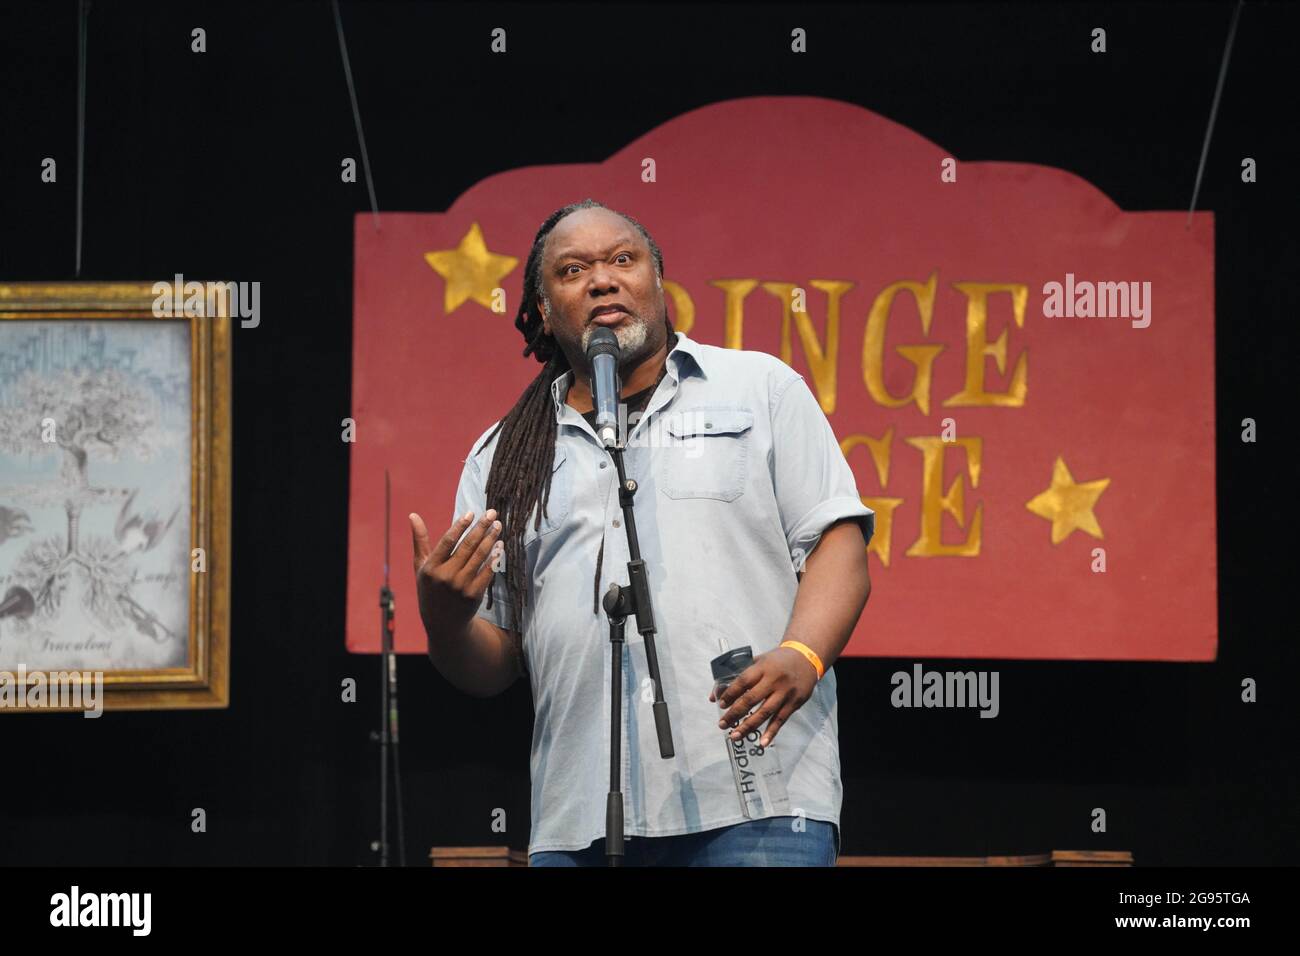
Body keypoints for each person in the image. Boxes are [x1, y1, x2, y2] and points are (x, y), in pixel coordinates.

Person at [409, 199, 874, 866]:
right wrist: (447, 620)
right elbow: (493, 663)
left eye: (622, 260)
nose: (601, 280)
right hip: (581, 819)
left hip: (756, 796)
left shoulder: (758, 390)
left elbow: (839, 543)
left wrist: (803, 653)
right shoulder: (504, 454)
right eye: (573, 270)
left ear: (658, 282)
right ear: (543, 309)